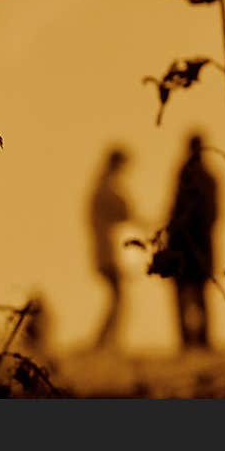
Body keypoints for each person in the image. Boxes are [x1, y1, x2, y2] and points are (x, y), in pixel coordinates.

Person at [165, 134, 218, 350]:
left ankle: (191, 340)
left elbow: (175, 211)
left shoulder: (186, 175)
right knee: (198, 294)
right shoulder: (207, 178)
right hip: (198, 244)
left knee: (187, 295)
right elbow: (214, 214)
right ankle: (199, 340)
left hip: (186, 244)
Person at [88, 147, 131, 349]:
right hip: (108, 252)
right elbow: (125, 210)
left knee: (118, 298)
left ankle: (105, 341)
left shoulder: (102, 185)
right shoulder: (106, 188)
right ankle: (104, 341)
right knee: (119, 298)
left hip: (107, 250)